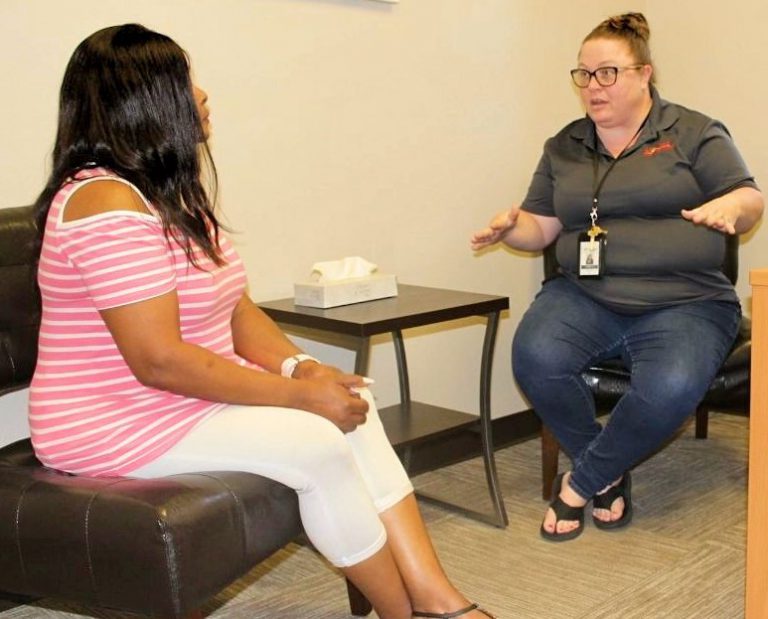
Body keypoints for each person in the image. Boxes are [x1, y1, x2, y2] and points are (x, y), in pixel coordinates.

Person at [30, 24, 495, 619]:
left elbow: (237, 309)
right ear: (147, 103)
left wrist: (300, 367)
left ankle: (438, 600)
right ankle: (400, 614)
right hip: (110, 425)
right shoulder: (105, 203)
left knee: (353, 399)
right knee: (317, 441)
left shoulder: (168, 194)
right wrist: (301, 400)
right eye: (186, 82)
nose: (202, 95)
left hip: (180, 403)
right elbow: (159, 360)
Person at [471, 12, 763, 542]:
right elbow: (542, 228)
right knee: (535, 357)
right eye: (583, 74)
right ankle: (606, 471)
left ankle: (581, 483)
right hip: (585, 295)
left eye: (607, 72)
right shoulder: (564, 144)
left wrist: (730, 211)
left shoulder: (695, 131)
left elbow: (749, 196)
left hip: (686, 300)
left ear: (644, 74)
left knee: (671, 385)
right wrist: (511, 229)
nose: (592, 86)